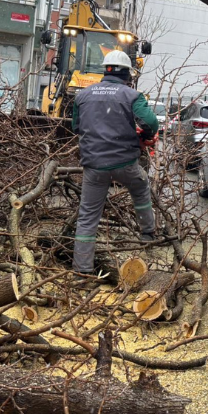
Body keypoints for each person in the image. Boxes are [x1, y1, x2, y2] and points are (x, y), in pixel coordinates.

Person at [71, 49, 159, 278]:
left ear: (105, 70)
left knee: (88, 216)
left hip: (94, 166)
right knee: (140, 187)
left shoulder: (82, 96)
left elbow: (76, 128)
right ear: (127, 74)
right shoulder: (131, 95)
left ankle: (82, 271)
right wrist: (145, 134)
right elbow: (150, 121)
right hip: (125, 163)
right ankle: (148, 233)